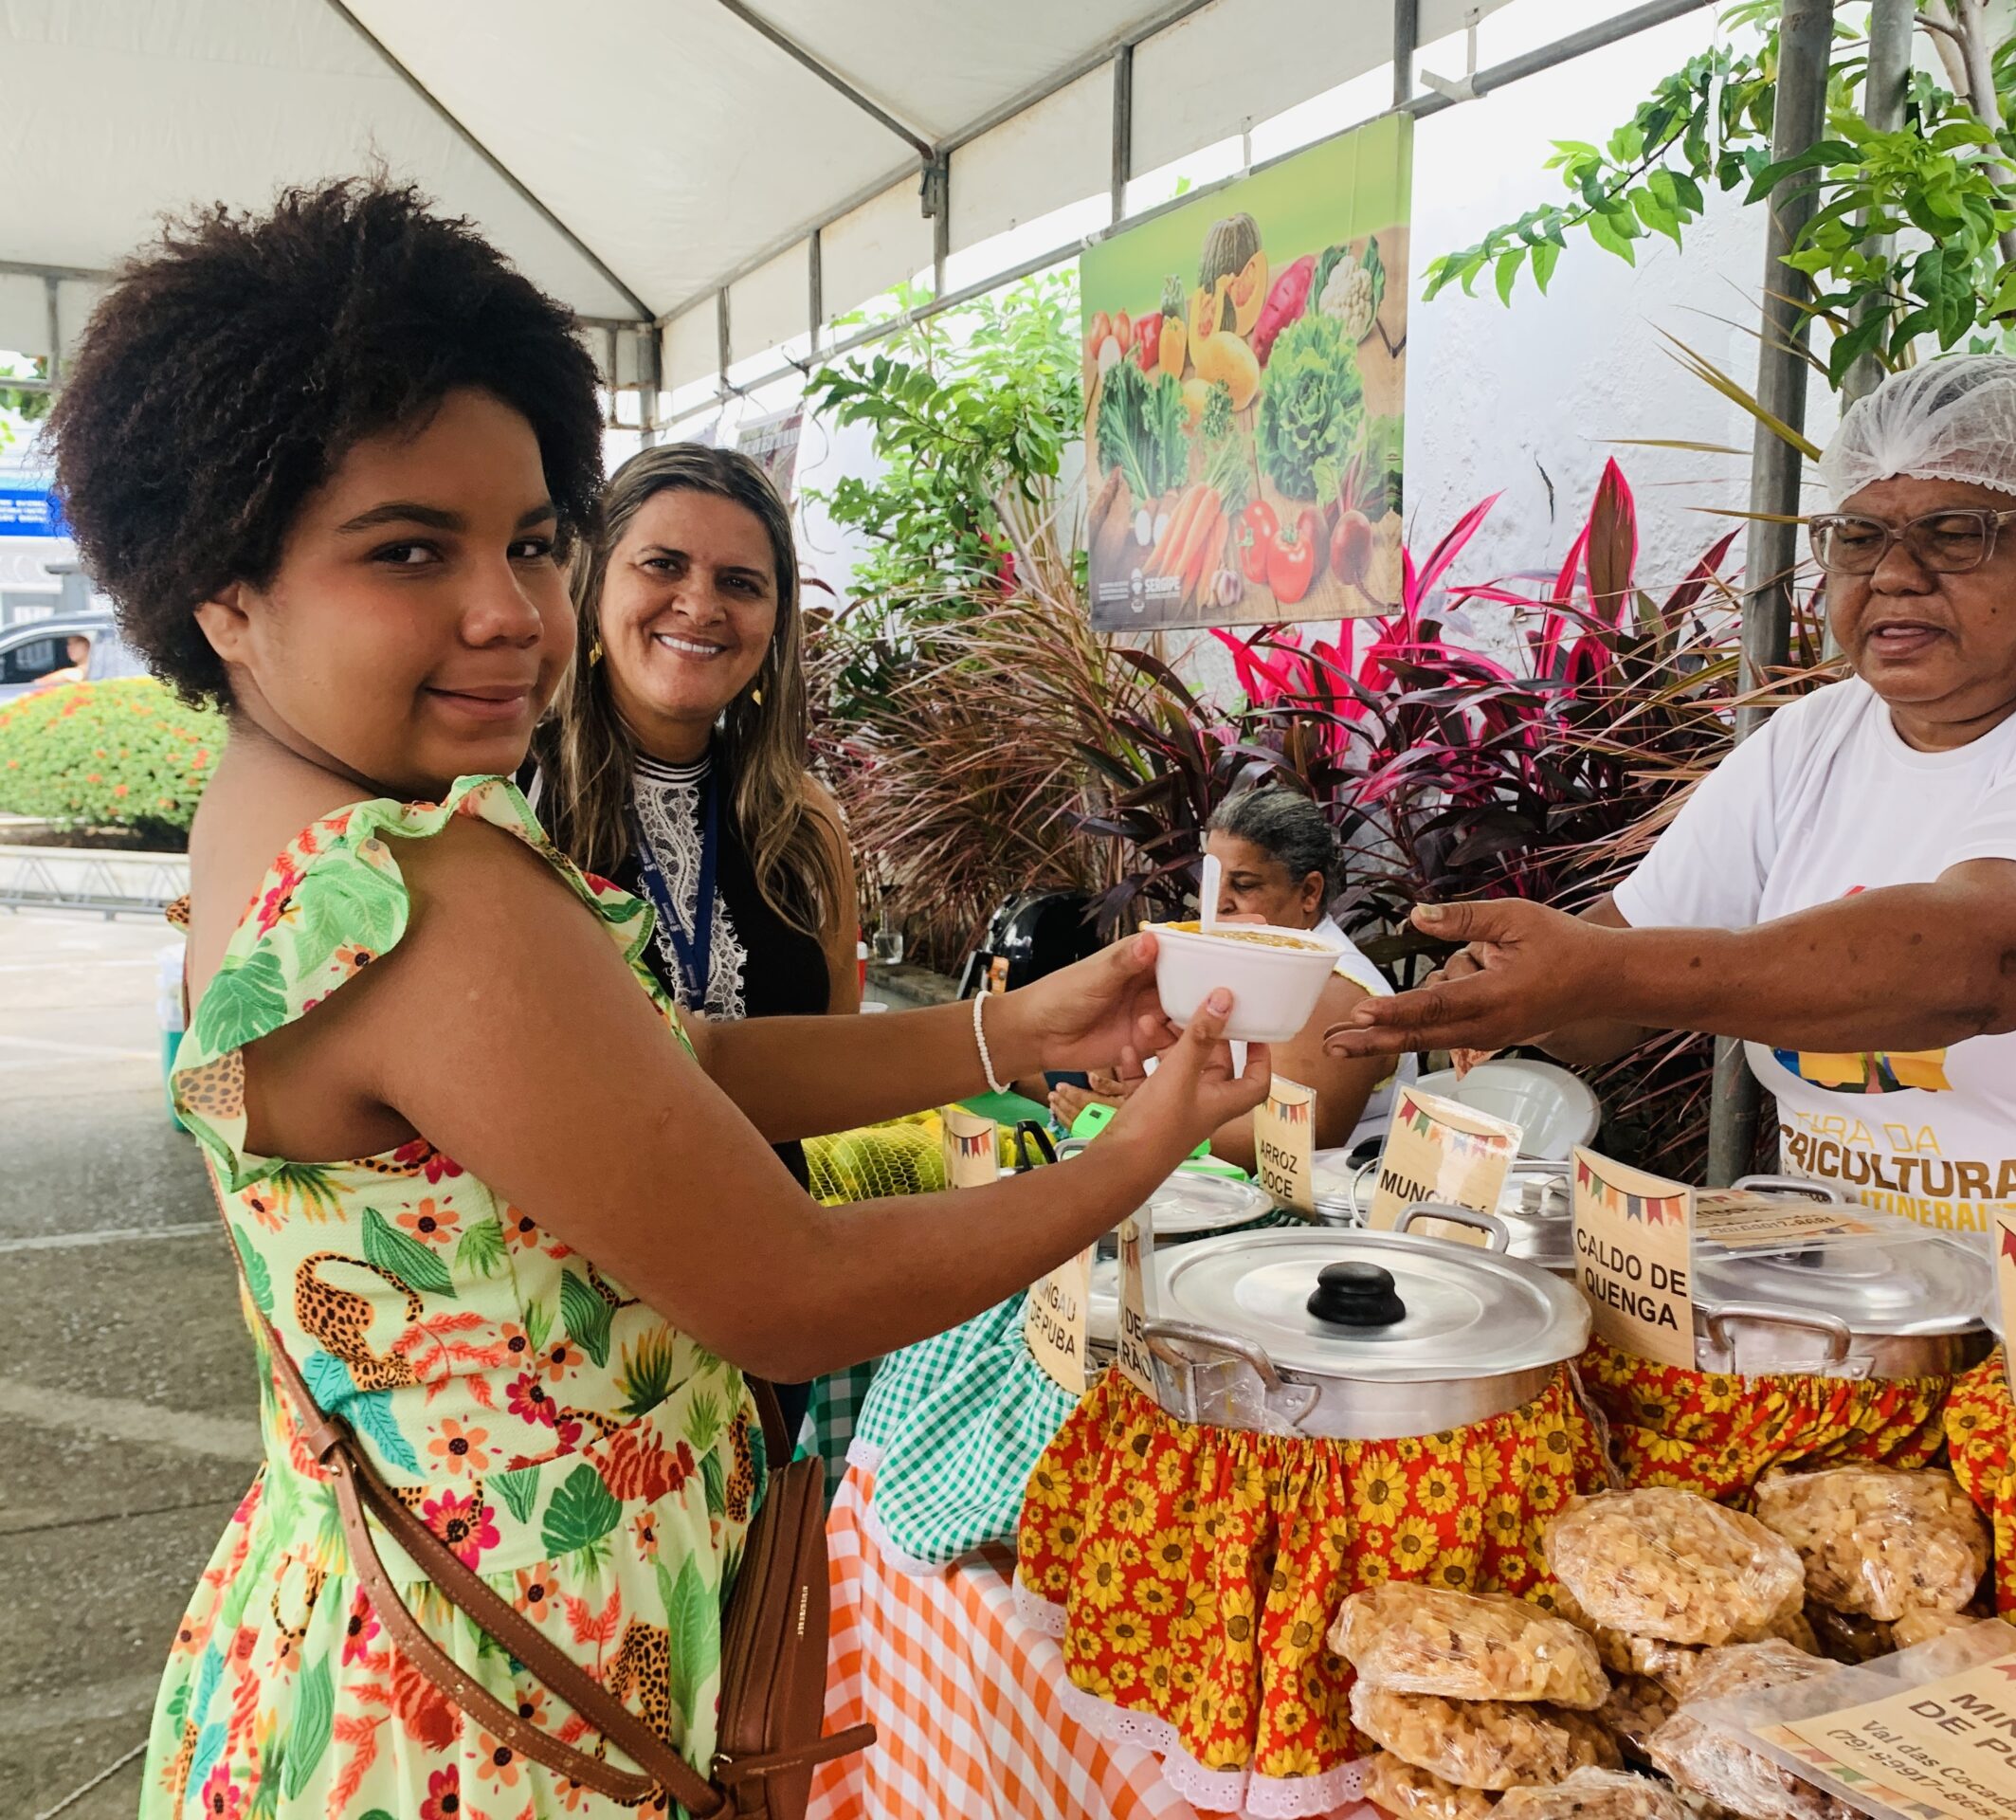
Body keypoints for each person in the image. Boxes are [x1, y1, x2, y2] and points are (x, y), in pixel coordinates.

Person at [49, 178, 1265, 1817]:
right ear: (224, 588)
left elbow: (663, 1065)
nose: (511, 613)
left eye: (534, 541)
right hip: (499, 1719)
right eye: (409, 551)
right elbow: (793, 1292)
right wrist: (1139, 1155)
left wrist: (1005, 1031)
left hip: (353, 1618)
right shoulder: (424, 894)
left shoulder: (279, 821)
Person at [1328, 355, 2016, 1264]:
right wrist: (1484, 999)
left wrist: (1597, 970)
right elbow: (1621, 980)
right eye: (1857, 536)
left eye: (1956, 532)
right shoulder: (1812, 741)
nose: (1894, 575)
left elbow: (1982, 969)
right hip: (1905, 1323)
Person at [520, 446, 856, 1450]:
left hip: (765, 1294)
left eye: (740, 583)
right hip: (573, 1320)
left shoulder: (804, 826)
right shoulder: (512, 806)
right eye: (662, 565)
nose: (700, 605)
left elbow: (831, 1066)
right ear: (593, 586)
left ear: (774, 622)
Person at [1051, 785, 1407, 1167]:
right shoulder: (1242, 956)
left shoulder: (1334, 989)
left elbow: (1288, 1139)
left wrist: (1131, 1122)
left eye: (1244, 884)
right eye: (1212, 878)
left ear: (1309, 892)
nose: (1217, 902)